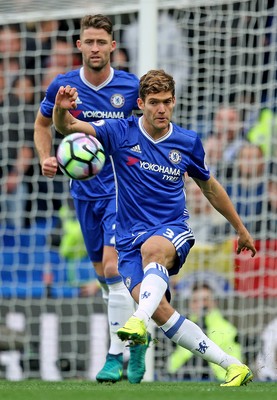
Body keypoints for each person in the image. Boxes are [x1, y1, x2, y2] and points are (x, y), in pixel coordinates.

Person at [53, 69, 257, 387]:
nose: (161, 109)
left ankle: (136, 320)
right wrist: (60, 108)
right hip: (128, 240)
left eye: (166, 102)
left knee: (154, 252)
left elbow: (211, 188)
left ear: (174, 102)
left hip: (171, 229)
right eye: (153, 103)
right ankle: (232, 365)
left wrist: (241, 229)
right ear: (141, 103)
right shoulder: (119, 132)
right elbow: (67, 127)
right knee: (162, 312)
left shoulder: (187, 142)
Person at [34, 14, 148, 384]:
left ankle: (115, 355)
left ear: (113, 46)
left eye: (102, 42)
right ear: (79, 45)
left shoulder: (131, 87)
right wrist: (44, 157)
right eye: (89, 42)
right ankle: (138, 336)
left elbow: (150, 128)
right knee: (104, 278)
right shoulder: (63, 85)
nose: (96, 48)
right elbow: (43, 124)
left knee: (114, 268)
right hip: (84, 192)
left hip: (122, 190)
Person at [168, 283, 242, 381]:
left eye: (205, 300)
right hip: (181, 375)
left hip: (218, 378)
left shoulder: (227, 328)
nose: (201, 305)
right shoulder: (181, 326)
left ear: (214, 302)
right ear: (190, 304)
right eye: (195, 301)